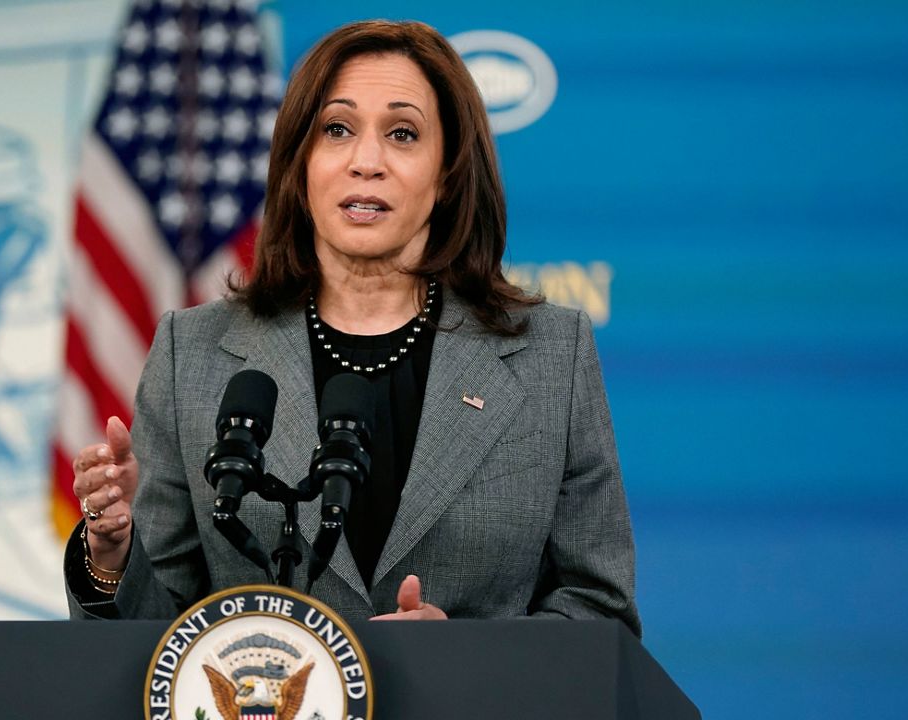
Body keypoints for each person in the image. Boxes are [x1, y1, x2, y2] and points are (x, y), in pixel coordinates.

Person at [65, 20, 640, 636]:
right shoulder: (194, 353)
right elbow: (160, 640)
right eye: (336, 130)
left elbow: (598, 612)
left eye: (403, 133)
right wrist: (113, 554)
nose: (367, 161)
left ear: (447, 172)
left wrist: (473, 660)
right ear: (300, 163)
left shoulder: (550, 352)